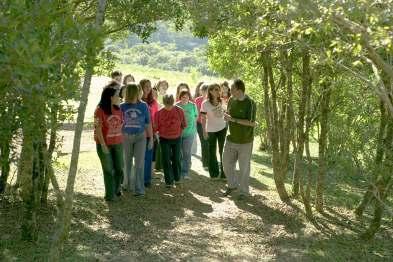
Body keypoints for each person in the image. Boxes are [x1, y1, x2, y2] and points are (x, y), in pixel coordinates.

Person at [223, 79, 256, 198]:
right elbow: (228, 114)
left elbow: (252, 123)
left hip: (245, 141)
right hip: (231, 138)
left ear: (239, 90)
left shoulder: (250, 103)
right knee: (226, 163)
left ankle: (243, 191)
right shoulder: (231, 100)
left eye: (232, 89)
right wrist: (225, 116)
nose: (230, 91)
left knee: (244, 168)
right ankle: (232, 185)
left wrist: (233, 120)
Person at [121, 83, 153, 197]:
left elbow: (148, 123)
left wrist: (151, 139)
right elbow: (120, 123)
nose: (139, 92)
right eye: (137, 90)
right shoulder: (122, 106)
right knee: (127, 162)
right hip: (126, 137)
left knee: (139, 163)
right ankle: (126, 184)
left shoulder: (143, 105)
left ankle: (139, 189)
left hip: (140, 137)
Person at [94, 85, 124, 201]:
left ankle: (117, 189)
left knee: (119, 168)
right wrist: (103, 145)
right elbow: (98, 129)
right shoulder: (99, 110)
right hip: (104, 144)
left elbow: (121, 124)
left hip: (118, 143)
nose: (120, 97)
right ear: (110, 97)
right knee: (108, 170)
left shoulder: (118, 109)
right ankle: (110, 195)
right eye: (117, 95)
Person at [154, 94, 186, 188]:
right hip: (164, 139)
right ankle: (168, 181)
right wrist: (157, 136)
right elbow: (156, 128)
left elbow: (183, 125)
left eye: (170, 105)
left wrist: (178, 134)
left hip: (177, 139)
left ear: (173, 102)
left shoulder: (179, 111)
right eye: (167, 105)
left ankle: (177, 178)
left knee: (176, 159)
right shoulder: (159, 113)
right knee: (166, 159)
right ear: (163, 103)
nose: (168, 107)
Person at [201, 83, 227, 179]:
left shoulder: (222, 101)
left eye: (218, 89)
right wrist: (204, 131)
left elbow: (226, 113)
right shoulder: (205, 103)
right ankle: (214, 174)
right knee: (212, 151)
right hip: (211, 130)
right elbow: (203, 118)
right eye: (215, 89)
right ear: (210, 91)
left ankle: (224, 174)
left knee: (222, 151)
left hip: (222, 128)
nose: (218, 91)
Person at [175, 89, 198, 179]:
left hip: (190, 133)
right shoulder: (176, 106)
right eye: (183, 97)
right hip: (178, 134)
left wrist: (193, 127)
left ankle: (185, 172)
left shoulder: (193, 106)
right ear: (180, 97)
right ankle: (178, 170)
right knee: (179, 152)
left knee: (187, 152)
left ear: (189, 97)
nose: (185, 99)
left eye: (187, 97)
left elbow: (196, 116)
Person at [141, 79, 159, 188]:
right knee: (139, 158)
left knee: (148, 157)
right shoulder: (137, 100)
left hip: (150, 133)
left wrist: (156, 132)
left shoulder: (154, 102)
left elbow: (156, 118)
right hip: (138, 132)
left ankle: (146, 180)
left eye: (149, 86)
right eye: (145, 86)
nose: (148, 88)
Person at [194, 83, 209, 169]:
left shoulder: (211, 100)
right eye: (203, 91)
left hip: (210, 124)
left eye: (206, 91)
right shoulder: (197, 100)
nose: (204, 93)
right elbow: (196, 113)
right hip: (200, 123)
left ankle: (208, 160)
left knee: (209, 143)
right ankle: (205, 163)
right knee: (204, 142)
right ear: (200, 91)